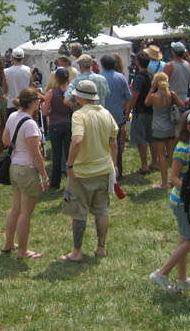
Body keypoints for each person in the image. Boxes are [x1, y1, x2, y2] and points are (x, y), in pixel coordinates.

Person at [59, 80, 118, 262]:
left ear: (80, 97)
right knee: (102, 210)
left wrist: (69, 165)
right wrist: (113, 164)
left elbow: (77, 140)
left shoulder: (79, 115)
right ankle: (101, 247)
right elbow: (114, 141)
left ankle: (76, 252)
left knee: (79, 212)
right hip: (104, 169)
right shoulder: (106, 113)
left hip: (82, 172)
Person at [149, 111, 190, 293]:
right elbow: (174, 177)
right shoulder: (182, 148)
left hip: (185, 201)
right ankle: (161, 273)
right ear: (189, 128)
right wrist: (188, 192)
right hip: (181, 201)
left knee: (183, 240)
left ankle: (182, 278)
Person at [2, 89, 49, 259]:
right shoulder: (30, 124)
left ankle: (8, 243)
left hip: (14, 166)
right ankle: (22, 250)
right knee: (25, 213)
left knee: (15, 208)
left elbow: (5, 140)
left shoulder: (13, 116)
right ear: (33, 102)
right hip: (27, 169)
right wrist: (44, 175)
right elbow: (36, 154)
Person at [146, 71, 186, 189]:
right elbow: (182, 105)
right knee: (172, 154)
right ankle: (174, 179)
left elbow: (146, 102)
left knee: (161, 156)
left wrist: (152, 89)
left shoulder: (154, 96)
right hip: (170, 126)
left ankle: (164, 183)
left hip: (158, 127)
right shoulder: (171, 94)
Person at [99, 55, 131, 179]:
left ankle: (105, 172)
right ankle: (118, 172)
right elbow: (128, 97)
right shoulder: (121, 77)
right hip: (118, 116)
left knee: (103, 145)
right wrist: (126, 113)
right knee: (116, 144)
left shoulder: (99, 78)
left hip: (102, 116)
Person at [41, 67, 72, 190]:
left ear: (56, 79)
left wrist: (46, 108)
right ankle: (72, 181)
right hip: (69, 124)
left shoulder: (51, 93)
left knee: (57, 155)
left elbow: (45, 112)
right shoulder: (71, 92)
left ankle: (55, 183)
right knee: (70, 154)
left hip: (55, 125)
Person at [127, 52, 155, 175]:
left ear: (138, 62)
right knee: (151, 138)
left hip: (140, 111)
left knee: (141, 139)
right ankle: (155, 162)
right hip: (151, 111)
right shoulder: (151, 75)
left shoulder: (138, 77)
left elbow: (135, 95)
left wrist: (128, 110)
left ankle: (144, 166)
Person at [3, 48, 32, 117]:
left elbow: (4, 89)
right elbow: (30, 87)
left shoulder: (6, 71)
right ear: (23, 58)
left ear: (12, 58)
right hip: (25, 104)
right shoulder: (28, 70)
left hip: (11, 103)